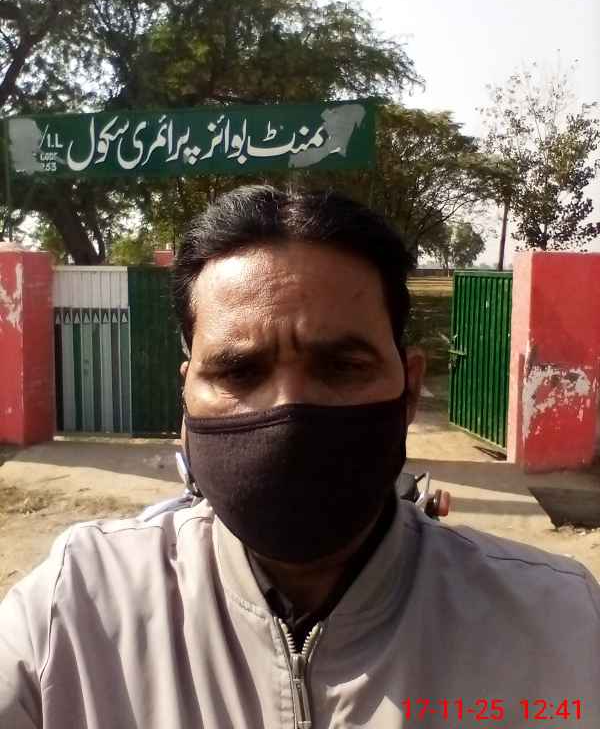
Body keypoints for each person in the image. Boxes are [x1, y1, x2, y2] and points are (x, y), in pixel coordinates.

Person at [1, 185, 599, 729]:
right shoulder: (73, 609)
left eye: (342, 367)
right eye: (240, 372)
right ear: (186, 395)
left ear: (410, 389)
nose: (289, 411)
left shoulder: (560, 625)